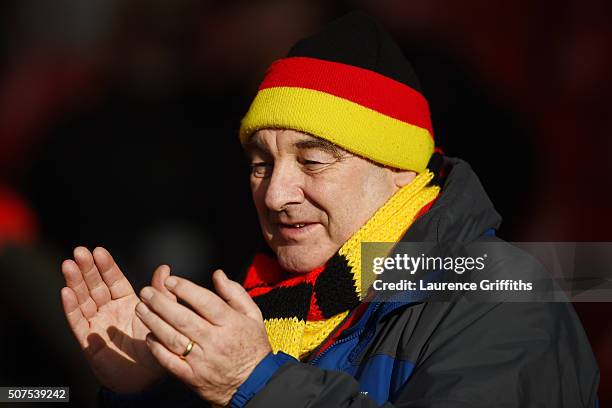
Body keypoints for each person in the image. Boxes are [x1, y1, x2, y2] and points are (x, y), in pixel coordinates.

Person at [60, 12, 599, 408]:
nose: (274, 194)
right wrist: (148, 388)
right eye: (260, 163)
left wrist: (257, 382)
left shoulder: (505, 293)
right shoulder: (266, 301)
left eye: (313, 160)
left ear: (400, 171)